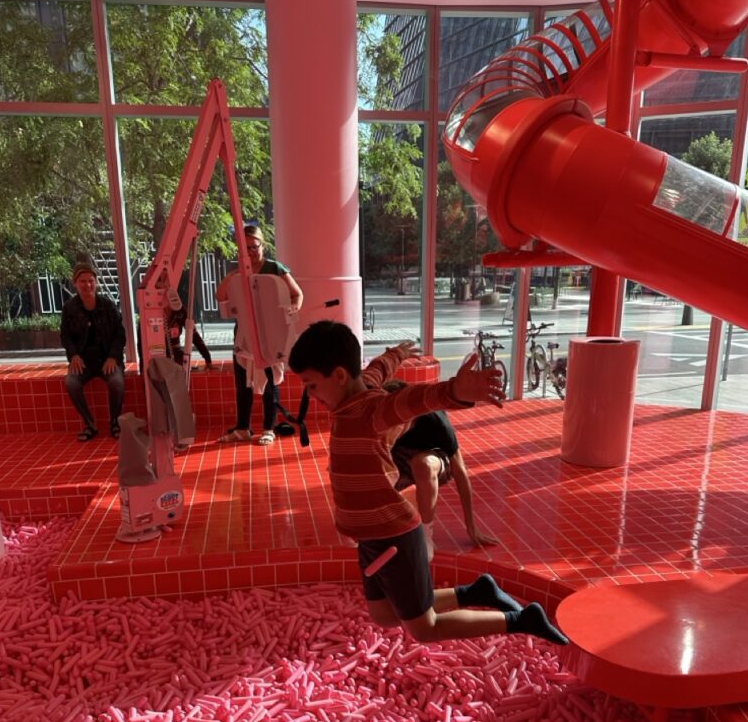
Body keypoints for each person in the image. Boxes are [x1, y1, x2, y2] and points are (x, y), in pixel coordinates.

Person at [288, 320, 567, 646]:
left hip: (394, 537)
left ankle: (521, 619)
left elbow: (415, 400)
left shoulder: (372, 411)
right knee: (384, 615)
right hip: (371, 539)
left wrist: (454, 392)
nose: (311, 396)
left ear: (337, 376)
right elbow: (377, 371)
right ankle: (477, 592)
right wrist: (396, 353)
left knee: (425, 628)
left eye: (311, 386)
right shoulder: (353, 394)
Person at [383, 380, 500, 560]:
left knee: (422, 464)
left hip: (433, 460)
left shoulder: (434, 419)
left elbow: (460, 471)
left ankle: (425, 536)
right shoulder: (382, 419)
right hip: (399, 460)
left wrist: (471, 527)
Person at [217, 225, 303, 446]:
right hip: (245, 334)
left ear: (262, 245)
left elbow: (297, 294)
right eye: (245, 249)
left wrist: (292, 311)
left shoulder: (275, 268)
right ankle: (243, 428)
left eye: (254, 247)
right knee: (243, 382)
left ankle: (269, 428)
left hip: (271, 332)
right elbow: (221, 296)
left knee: (271, 379)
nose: (251, 252)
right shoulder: (239, 273)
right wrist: (236, 274)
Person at [60, 262, 126, 441]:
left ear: (96, 283)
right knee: (71, 383)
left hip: (107, 359)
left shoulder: (108, 305)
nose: (87, 285)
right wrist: (73, 355)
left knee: (117, 382)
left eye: (91, 281)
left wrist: (113, 357)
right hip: (84, 361)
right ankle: (90, 424)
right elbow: (65, 336)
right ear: (75, 283)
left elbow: (120, 335)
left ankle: (115, 423)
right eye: (83, 281)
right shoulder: (69, 308)